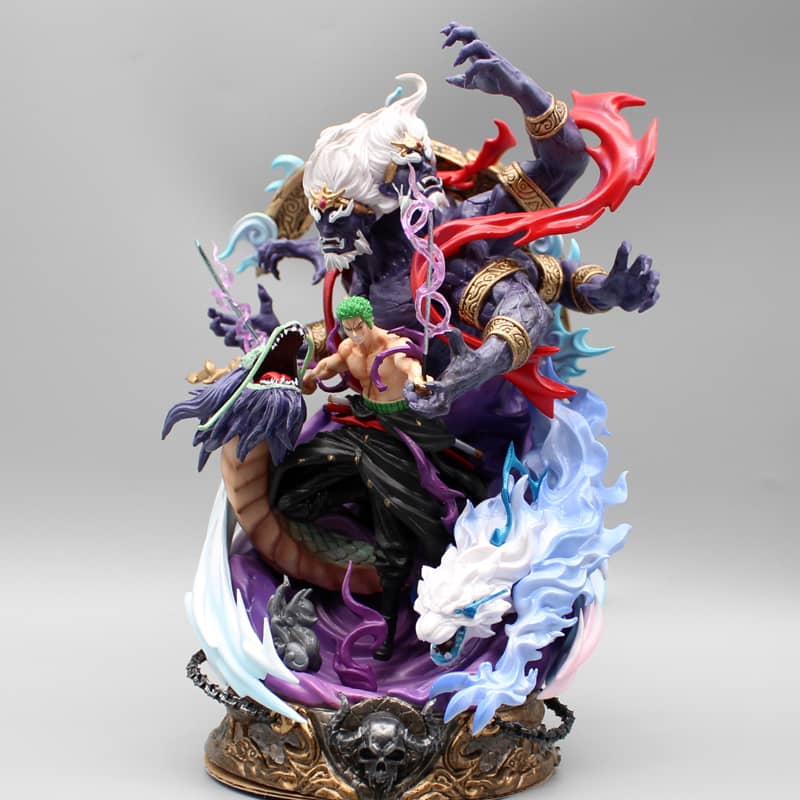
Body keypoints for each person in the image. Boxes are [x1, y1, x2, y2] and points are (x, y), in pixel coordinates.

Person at [270, 297, 482, 660]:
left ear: (370, 321)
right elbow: (328, 366)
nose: (355, 333)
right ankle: (361, 488)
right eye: (348, 328)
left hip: (398, 434)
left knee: (400, 536)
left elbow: (409, 365)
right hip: (364, 425)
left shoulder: (394, 347)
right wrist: (310, 376)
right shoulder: (350, 348)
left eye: (359, 326)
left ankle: (387, 630)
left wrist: (419, 381)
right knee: (295, 479)